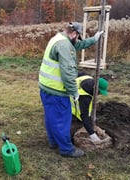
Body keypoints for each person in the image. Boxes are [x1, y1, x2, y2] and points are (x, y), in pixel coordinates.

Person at [38, 22, 104, 158]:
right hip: (56, 90)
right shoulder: (64, 46)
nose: (78, 41)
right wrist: (74, 92)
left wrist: (94, 39)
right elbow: (68, 72)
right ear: (74, 34)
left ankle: (53, 142)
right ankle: (67, 149)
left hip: (45, 87)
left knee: (51, 116)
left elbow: (77, 45)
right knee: (63, 119)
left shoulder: (59, 38)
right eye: (78, 37)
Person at [70, 74, 108, 143]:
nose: (99, 94)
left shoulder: (88, 78)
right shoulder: (84, 97)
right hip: (68, 107)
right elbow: (84, 115)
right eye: (99, 92)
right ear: (95, 88)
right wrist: (92, 134)